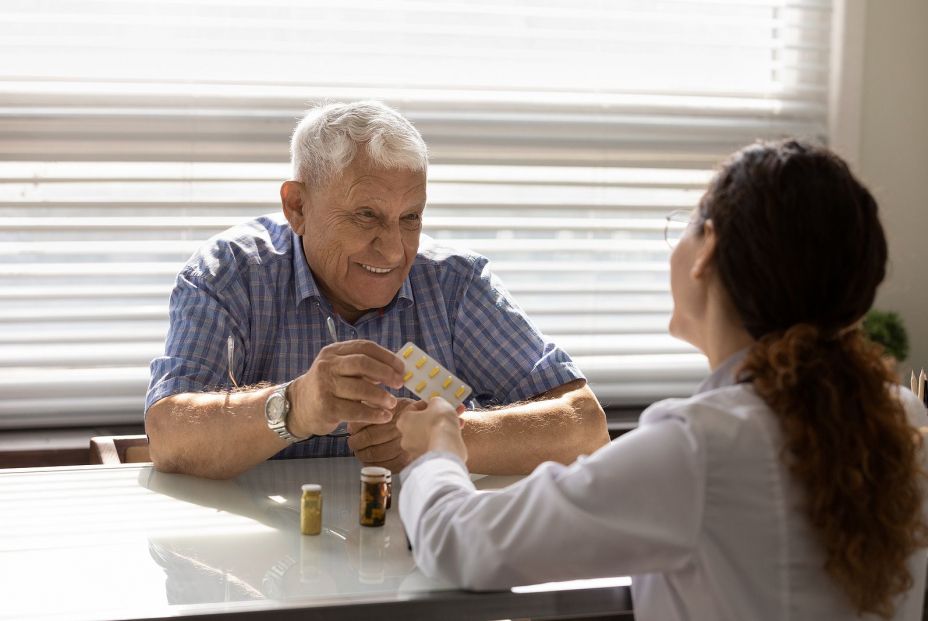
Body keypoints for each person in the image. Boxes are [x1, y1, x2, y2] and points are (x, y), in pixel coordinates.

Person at [397, 140, 928, 620]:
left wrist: (437, 448)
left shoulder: (700, 447)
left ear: (708, 250)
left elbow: (460, 546)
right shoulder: (902, 415)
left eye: (686, 226)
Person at [145, 100, 609, 480]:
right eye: (366, 215)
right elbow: (167, 435)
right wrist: (295, 406)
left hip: (417, 555)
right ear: (297, 206)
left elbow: (585, 427)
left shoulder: (455, 285)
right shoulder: (230, 274)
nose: (392, 251)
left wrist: (446, 438)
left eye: (410, 218)